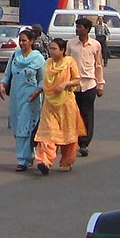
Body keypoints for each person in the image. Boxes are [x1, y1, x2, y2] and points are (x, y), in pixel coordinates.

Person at [30, 38, 86, 175]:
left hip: (66, 103)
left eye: (55, 49)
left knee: (68, 134)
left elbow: (77, 80)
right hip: (49, 103)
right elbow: (44, 83)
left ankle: (66, 161)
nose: (52, 51)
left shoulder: (69, 62)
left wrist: (65, 84)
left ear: (62, 50)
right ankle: (44, 162)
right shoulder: (48, 63)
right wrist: (37, 92)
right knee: (47, 133)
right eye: (50, 48)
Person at [0, 28, 46, 171]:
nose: (22, 43)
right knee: (18, 125)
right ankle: (29, 154)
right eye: (20, 40)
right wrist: (2, 84)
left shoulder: (38, 58)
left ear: (31, 41)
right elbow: (7, 75)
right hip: (16, 95)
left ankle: (22, 159)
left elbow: (43, 80)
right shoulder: (15, 56)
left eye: (24, 40)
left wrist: (38, 91)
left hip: (31, 96)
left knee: (26, 126)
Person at [67, 17, 105, 157]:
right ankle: (71, 141)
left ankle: (84, 143)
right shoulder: (71, 44)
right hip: (73, 85)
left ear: (87, 29)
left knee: (87, 114)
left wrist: (100, 85)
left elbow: (99, 65)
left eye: (80, 27)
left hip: (89, 84)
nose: (78, 29)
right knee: (72, 114)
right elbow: (66, 64)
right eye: (77, 27)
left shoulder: (95, 45)